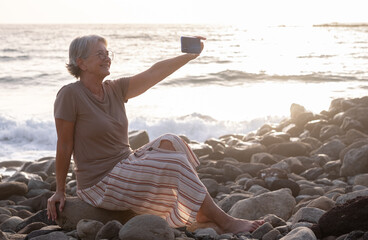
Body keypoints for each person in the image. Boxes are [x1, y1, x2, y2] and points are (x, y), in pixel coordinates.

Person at [47, 34, 264, 234]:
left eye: (108, 53)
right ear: (81, 62)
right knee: (174, 163)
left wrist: (188, 56)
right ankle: (225, 222)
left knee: (173, 142)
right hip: (100, 181)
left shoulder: (115, 89)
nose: (107, 58)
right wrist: (60, 190)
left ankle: (198, 213)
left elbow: (154, 72)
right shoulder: (70, 94)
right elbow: (65, 145)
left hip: (125, 164)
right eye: (100, 54)